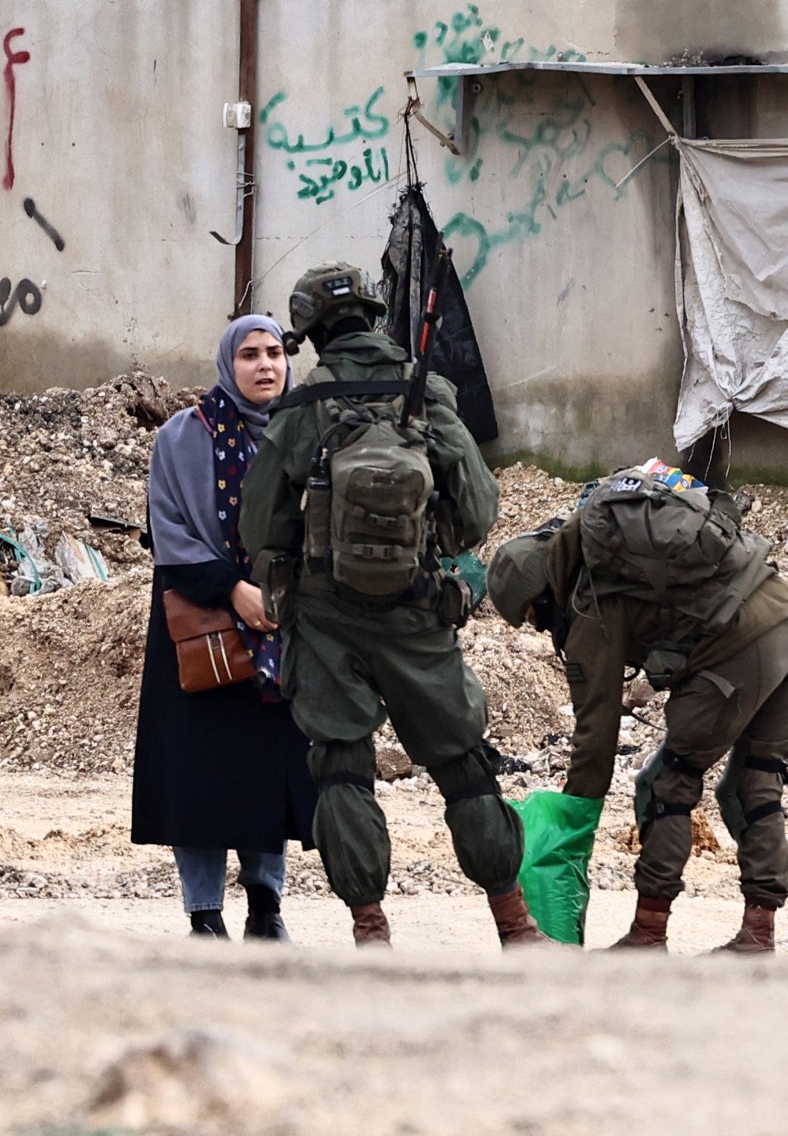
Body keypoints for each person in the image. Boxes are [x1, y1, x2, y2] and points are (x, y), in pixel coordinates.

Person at [238, 262, 538, 949]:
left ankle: (371, 932)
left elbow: (260, 529)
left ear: (309, 333)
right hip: (418, 615)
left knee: (342, 767)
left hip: (324, 621)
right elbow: (478, 509)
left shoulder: (300, 404)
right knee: (464, 765)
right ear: (374, 316)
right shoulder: (424, 392)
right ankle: (514, 925)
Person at [487, 476, 788, 954]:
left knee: (666, 782)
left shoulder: (587, 601)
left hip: (741, 646)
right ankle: (759, 933)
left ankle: (648, 934)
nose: (540, 629)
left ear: (540, 594)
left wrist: (572, 822)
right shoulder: (613, 561)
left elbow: (595, 734)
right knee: (753, 782)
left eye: (533, 617)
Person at [132, 315, 318, 941]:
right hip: (203, 625)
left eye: (275, 353)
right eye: (249, 355)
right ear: (225, 363)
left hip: (283, 625)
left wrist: (283, 593)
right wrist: (236, 591)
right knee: (200, 778)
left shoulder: (307, 434)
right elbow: (170, 535)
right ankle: (203, 914)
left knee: (269, 774)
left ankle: (266, 909)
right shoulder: (180, 438)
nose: (266, 365)